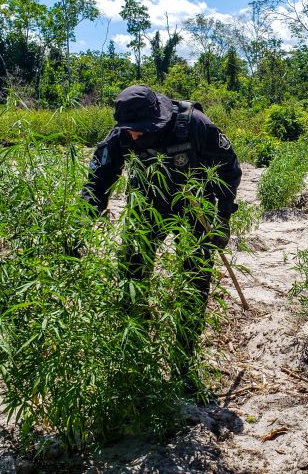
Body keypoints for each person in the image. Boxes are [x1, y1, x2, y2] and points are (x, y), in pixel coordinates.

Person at [81, 84, 242, 391]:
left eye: (141, 130)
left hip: (194, 208)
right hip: (147, 207)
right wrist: (79, 228)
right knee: (131, 274)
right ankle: (136, 351)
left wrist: (222, 217)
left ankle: (184, 359)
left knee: (194, 280)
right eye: (130, 131)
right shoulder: (120, 136)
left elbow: (229, 168)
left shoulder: (193, 124)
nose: (135, 136)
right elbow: (97, 182)